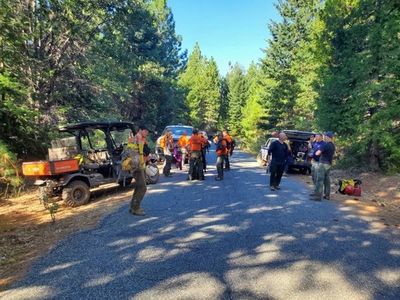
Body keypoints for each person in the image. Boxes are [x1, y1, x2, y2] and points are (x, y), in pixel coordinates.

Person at [128, 125, 149, 216]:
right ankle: (136, 208)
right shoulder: (136, 139)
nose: (146, 133)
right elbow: (133, 153)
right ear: (140, 130)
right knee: (142, 187)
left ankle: (132, 207)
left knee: (139, 186)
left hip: (140, 165)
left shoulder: (140, 139)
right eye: (145, 131)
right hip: (137, 166)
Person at [310, 132, 336, 201]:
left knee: (319, 180)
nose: (324, 137)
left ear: (328, 137)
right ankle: (327, 195)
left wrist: (316, 152)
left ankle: (318, 197)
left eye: (325, 136)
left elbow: (317, 153)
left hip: (323, 164)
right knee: (326, 180)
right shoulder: (333, 145)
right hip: (329, 164)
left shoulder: (325, 145)